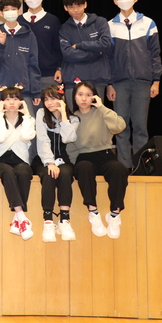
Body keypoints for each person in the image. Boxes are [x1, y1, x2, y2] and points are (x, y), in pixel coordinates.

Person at [106, 0, 162, 168]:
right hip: (119, 83)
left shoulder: (148, 23)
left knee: (140, 127)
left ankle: (140, 167)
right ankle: (123, 166)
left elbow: (155, 54)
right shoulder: (110, 26)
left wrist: (156, 80)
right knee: (121, 126)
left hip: (142, 81)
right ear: (115, 1)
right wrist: (109, 84)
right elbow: (107, 58)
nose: (125, 0)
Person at [68, 81, 128, 239]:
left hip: (105, 153)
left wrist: (101, 107)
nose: (84, 99)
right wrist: (73, 164)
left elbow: (120, 126)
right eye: (80, 94)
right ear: (74, 97)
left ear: (94, 97)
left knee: (119, 169)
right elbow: (70, 146)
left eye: (88, 95)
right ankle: (93, 212)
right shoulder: (72, 118)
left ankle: (114, 214)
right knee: (83, 168)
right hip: (84, 156)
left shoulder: (102, 112)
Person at [33, 85, 79, 242]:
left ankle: (64, 221)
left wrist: (64, 114)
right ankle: (48, 221)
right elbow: (42, 140)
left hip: (63, 158)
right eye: (46, 99)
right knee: (48, 175)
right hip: (43, 158)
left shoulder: (74, 119)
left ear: (62, 99)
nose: (49, 103)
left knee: (66, 174)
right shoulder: (41, 114)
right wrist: (49, 162)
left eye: (53, 98)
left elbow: (68, 138)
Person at [0, 86, 36, 240]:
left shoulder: (28, 120)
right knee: (8, 172)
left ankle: (18, 220)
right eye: (7, 99)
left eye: (15, 99)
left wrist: (27, 115)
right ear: (2, 102)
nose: (11, 102)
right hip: (1, 159)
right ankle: (21, 216)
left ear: (21, 102)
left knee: (24, 172)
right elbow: (0, 137)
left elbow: (26, 136)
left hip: (20, 159)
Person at [0, 0, 41, 109]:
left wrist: (36, 91)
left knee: (27, 118)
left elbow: (33, 64)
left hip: (23, 88)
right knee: (2, 120)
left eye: (13, 9)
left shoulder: (28, 34)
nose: (10, 12)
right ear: (1, 13)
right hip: (1, 88)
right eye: (6, 10)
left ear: (19, 11)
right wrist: (1, 45)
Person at [59, 0, 112, 99]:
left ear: (85, 4)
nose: (75, 10)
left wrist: (80, 45)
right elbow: (68, 53)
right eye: (71, 7)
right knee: (74, 111)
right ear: (65, 8)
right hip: (73, 80)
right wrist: (96, 52)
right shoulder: (64, 28)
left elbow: (105, 44)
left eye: (79, 5)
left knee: (97, 110)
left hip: (97, 78)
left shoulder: (100, 22)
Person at [18, 0, 62, 89]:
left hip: (48, 75)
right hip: (23, 76)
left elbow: (58, 48)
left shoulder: (52, 20)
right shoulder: (18, 21)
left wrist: (59, 69)